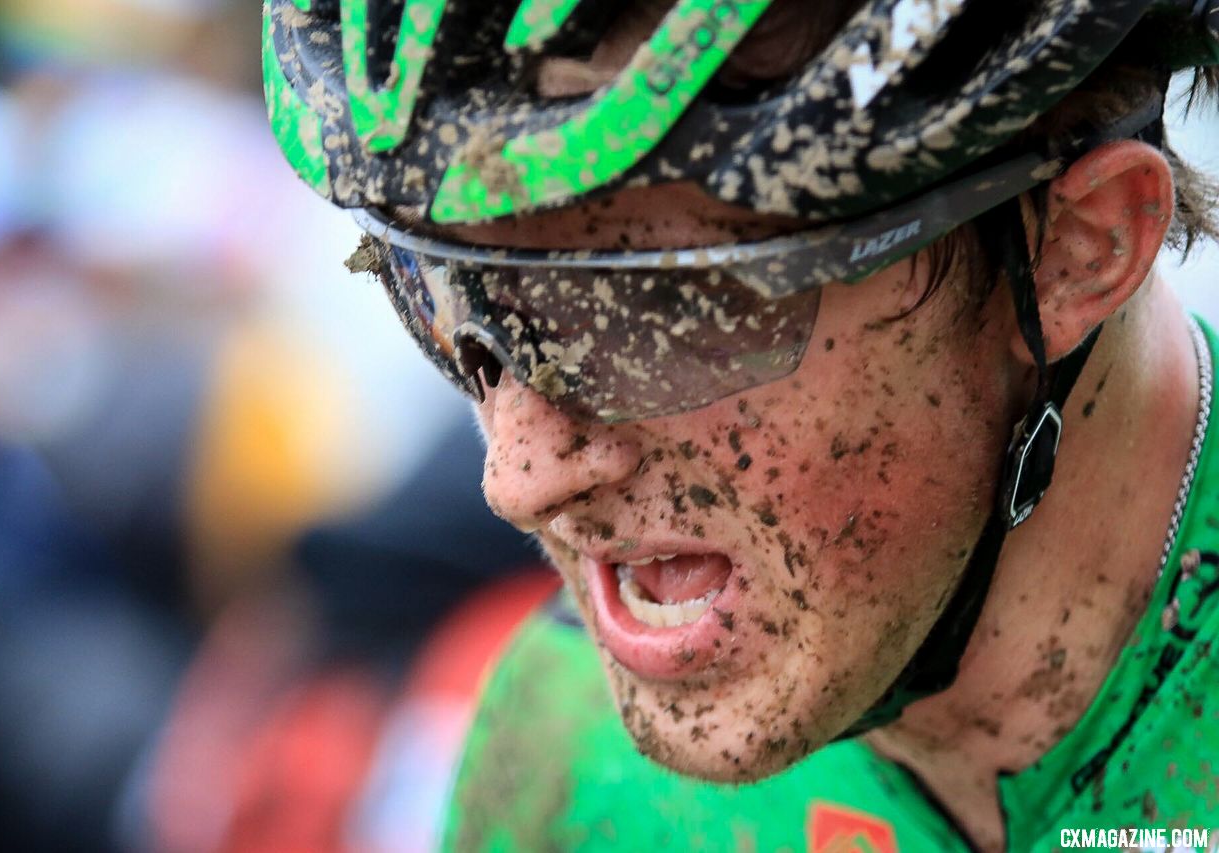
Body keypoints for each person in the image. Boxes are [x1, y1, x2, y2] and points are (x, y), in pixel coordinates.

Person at [262, 0, 1219, 849]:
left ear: (1077, 249)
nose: (518, 475)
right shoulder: (561, 753)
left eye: (664, 311)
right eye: (440, 287)